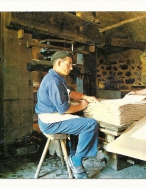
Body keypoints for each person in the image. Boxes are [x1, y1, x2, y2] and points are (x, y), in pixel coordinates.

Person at [35, 51, 99, 179]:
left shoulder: (57, 78)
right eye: (69, 64)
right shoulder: (53, 81)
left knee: (79, 121)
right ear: (59, 63)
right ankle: (76, 160)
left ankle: (73, 155)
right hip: (49, 123)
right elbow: (64, 109)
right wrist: (82, 106)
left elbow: (69, 93)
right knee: (90, 124)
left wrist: (85, 97)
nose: (71, 67)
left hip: (51, 118)